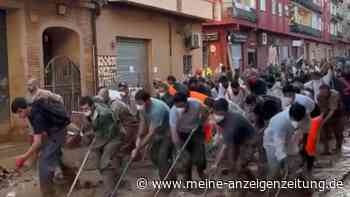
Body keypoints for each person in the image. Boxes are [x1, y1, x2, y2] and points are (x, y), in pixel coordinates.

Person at [12, 97, 70, 197]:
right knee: (52, 154)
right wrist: (41, 148)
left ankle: (48, 193)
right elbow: (40, 135)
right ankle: (69, 178)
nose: (20, 116)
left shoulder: (36, 116)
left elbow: (37, 142)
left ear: (24, 108)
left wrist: (24, 157)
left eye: (19, 112)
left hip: (59, 132)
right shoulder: (31, 112)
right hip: (53, 131)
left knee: (44, 163)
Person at [131, 90, 175, 191]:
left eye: (140, 103)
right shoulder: (142, 107)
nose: (138, 106)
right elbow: (143, 122)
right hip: (158, 132)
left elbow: (151, 133)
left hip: (168, 132)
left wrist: (138, 149)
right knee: (154, 156)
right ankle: (170, 172)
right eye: (137, 103)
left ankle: (167, 185)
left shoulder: (157, 109)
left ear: (148, 101)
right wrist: (139, 137)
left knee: (161, 157)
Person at [80, 96, 124, 197]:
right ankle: (114, 181)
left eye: (86, 109)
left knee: (104, 163)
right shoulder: (91, 112)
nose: (84, 111)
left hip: (114, 137)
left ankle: (111, 193)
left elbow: (106, 135)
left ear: (92, 106)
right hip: (102, 135)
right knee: (102, 163)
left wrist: (93, 143)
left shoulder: (104, 114)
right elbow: (93, 128)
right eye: (82, 109)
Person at [208, 99, 257, 180]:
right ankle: (238, 174)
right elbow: (225, 142)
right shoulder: (222, 118)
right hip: (237, 139)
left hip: (249, 141)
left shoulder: (232, 123)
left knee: (239, 166)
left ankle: (253, 182)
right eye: (214, 111)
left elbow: (226, 147)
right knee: (232, 162)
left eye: (216, 112)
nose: (215, 114)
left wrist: (216, 164)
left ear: (224, 111)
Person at [169, 92, 208, 181]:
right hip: (181, 133)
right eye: (177, 106)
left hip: (196, 131)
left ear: (187, 102)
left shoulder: (196, 104)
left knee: (200, 157)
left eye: (181, 106)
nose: (179, 108)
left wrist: (201, 122)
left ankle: (201, 172)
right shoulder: (173, 112)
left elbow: (206, 111)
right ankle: (187, 179)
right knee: (186, 159)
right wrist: (179, 149)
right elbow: (174, 133)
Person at [263, 103, 306, 179]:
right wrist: (283, 159)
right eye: (295, 119)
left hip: (287, 139)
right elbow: (278, 143)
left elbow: (298, 131)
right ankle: (270, 187)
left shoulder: (296, 112)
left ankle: (291, 181)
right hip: (272, 143)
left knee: (295, 161)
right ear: (291, 115)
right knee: (275, 169)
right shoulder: (280, 122)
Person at [318, 84, 345, 154]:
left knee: (338, 132)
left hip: (338, 113)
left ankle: (338, 146)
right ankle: (326, 149)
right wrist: (320, 119)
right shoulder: (319, 96)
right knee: (323, 132)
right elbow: (322, 109)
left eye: (324, 92)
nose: (323, 94)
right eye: (321, 92)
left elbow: (332, 110)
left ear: (328, 91)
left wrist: (323, 121)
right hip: (327, 112)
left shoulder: (334, 94)